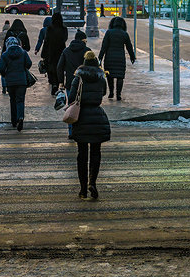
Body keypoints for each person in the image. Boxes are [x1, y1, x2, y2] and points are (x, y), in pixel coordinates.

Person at [68, 50, 110, 199]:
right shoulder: (101, 77)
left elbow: (71, 97)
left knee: (82, 154)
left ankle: (83, 189)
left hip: (81, 118)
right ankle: (93, 182)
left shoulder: (78, 78)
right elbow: (104, 93)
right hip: (97, 117)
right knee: (96, 153)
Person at [0, 35, 32, 131]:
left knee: (12, 100)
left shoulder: (5, 55)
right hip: (22, 81)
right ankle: (20, 117)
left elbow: (1, 68)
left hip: (10, 82)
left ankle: (13, 121)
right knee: (20, 100)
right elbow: (29, 64)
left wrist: (5, 75)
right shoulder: (23, 53)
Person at [98, 16, 135, 100]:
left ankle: (111, 92)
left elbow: (104, 46)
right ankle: (118, 94)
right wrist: (132, 57)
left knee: (109, 75)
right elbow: (129, 47)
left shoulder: (109, 33)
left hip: (109, 58)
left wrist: (100, 58)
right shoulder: (124, 34)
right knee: (120, 76)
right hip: (120, 58)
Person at [41, 11, 68, 95]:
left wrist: (43, 53)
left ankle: (54, 85)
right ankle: (60, 84)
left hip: (51, 51)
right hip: (61, 51)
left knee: (51, 69)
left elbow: (46, 41)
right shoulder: (64, 29)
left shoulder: (50, 29)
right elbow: (65, 39)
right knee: (60, 68)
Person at [0, 20, 11, 94]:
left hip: (3, 53)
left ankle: (4, 87)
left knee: (3, 70)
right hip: (10, 54)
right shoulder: (11, 33)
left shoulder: (1, 34)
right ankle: (9, 86)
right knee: (9, 70)